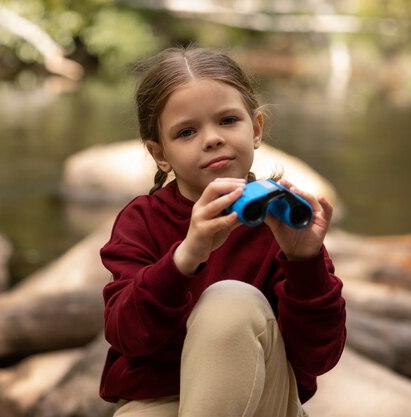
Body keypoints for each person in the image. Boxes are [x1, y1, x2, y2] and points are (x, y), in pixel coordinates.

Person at [99, 46, 346, 417]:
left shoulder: (280, 217)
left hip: (265, 398)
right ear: (159, 154)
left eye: (228, 120)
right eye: (186, 132)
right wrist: (185, 258)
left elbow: (319, 357)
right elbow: (126, 335)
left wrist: (304, 262)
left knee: (231, 301)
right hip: (159, 400)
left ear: (257, 128)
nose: (212, 138)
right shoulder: (142, 222)